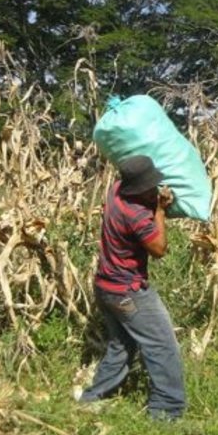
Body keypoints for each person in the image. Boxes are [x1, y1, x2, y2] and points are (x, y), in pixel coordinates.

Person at [77, 155, 187, 419]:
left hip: (106, 289)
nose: (154, 189)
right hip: (128, 294)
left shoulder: (115, 190)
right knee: (162, 345)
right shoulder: (135, 213)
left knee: (122, 344)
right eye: (150, 186)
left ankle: (93, 398)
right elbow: (159, 249)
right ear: (139, 189)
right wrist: (160, 211)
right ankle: (166, 411)